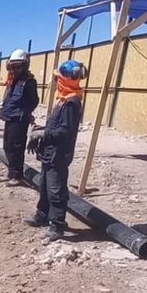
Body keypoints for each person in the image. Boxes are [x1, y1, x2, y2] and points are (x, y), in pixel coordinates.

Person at [25, 60, 87, 241]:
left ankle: (57, 225)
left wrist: (44, 134)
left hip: (58, 154)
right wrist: (40, 130)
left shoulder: (71, 102)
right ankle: (41, 216)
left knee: (55, 190)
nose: (56, 82)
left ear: (66, 80)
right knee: (44, 185)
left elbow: (64, 131)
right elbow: (55, 126)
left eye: (58, 78)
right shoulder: (64, 99)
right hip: (50, 153)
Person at [0, 49, 39, 184]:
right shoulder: (13, 81)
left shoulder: (29, 82)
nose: (15, 69)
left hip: (20, 119)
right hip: (10, 117)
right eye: (13, 66)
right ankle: (11, 173)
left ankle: (17, 176)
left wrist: (25, 112)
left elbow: (34, 101)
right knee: (7, 146)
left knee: (17, 147)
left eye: (18, 66)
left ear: (24, 66)